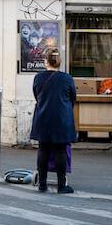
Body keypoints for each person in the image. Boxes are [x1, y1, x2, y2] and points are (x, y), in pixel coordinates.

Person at [30, 47, 76, 194]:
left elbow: (36, 96)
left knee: (43, 149)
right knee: (60, 150)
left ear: (45, 62)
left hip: (43, 117)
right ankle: (61, 185)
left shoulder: (38, 78)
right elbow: (72, 98)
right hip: (62, 118)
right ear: (59, 62)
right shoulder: (67, 78)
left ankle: (42, 184)